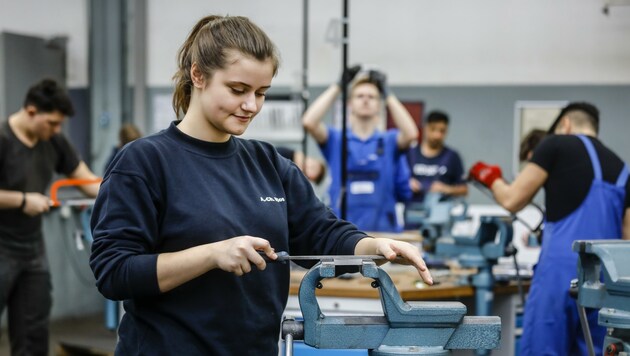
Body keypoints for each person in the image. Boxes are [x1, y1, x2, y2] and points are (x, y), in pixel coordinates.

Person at [88, 15, 433, 356]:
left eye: (261, 93)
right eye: (238, 90)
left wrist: (376, 247)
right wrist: (212, 254)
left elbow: (323, 235)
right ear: (198, 75)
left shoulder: (268, 163)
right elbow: (115, 272)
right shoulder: (144, 162)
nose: (251, 106)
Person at [468, 102, 630, 356]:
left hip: (560, 276)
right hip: (607, 285)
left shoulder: (555, 144)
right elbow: (627, 236)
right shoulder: (623, 168)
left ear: (564, 123)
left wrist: (491, 178)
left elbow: (512, 199)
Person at [0, 78, 100, 356]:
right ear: (31, 111)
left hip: (32, 250)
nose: (57, 130)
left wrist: (123, 197)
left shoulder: (53, 141)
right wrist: (21, 200)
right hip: (1, 247)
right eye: (52, 123)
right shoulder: (3, 139)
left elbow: (87, 180)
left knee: (34, 332)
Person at [302, 65, 416, 232]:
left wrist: (388, 94)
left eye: (372, 97)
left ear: (379, 104)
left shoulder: (389, 140)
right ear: (350, 104)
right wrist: (338, 86)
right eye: (360, 96)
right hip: (344, 234)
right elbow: (309, 122)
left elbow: (411, 133)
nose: (365, 100)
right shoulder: (336, 139)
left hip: (385, 233)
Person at [404, 111, 467, 228]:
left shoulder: (452, 156)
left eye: (442, 131)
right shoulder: (410, 154)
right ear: (425, 128)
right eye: (433, 129)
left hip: (440, 222)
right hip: (412, 218)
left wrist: (445, 188)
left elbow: (464, 190)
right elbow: (394, 183)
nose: (437, 135)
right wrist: (407, 183)